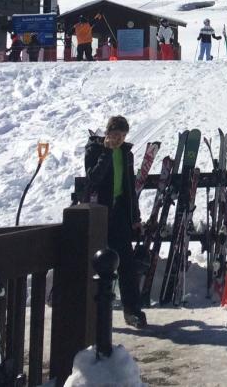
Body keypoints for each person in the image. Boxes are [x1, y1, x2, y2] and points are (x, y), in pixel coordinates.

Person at [84, 115, 146, 329]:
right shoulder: (94, 150)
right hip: (98, 213)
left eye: (122, 135)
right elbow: (93, 178)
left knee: (126, 263)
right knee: (94, 262)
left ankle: (132, 311)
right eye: (115, 134)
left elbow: (130, 188)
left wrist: (135, 218)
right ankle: (89, 311)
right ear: (107, 133)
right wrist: (106, 153)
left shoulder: (126, 154)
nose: (119, 139)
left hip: (119, 212)